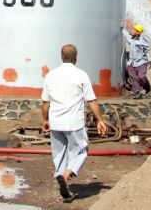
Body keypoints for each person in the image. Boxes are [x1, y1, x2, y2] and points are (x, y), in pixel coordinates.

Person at [41, 44, 109, 202]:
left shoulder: (51, 75)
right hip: (74, 123)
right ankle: (65, 175)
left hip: (55, 122)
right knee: (81, 150)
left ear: (61, 56)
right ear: (76, 57)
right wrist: (100, 120)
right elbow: (91, 100)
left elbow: (45, 101)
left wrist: (45, 120)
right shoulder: (81, 75)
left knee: (59, 153)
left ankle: (61, 176)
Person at [123, 18, 151, 98]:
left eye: (134, 30)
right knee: (132, 76)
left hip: (141, 62)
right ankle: (137, 92)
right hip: (132, 62)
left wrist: (149, 61)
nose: (132, 31)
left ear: (138, 32)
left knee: (141, 76)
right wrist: (122, 28)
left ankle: (147, 87)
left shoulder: (143, 41)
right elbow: (125, 34)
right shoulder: (131, 39)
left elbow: (146, 51)